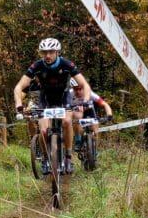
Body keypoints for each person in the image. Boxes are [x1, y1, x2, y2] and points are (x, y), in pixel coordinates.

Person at [13, 38, 91, 175]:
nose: (47, 55)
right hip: (46, 99)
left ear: (57, 52)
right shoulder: (36, 66)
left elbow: (84, 84)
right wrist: (18, 103)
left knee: (67, 122)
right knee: (43, 131)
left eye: (51, 52)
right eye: (44, 52)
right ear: (41, 53)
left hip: (63, 97)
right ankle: (45, 158)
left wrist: (85, 100)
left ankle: (68, 157)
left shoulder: (67, 64)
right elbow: (19, 87)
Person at [71, 82, 113, 150]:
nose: (78, 91)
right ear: (73, 89)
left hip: (90, 111)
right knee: (76, 119)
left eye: (80, 89)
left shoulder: (90, 93)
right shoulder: (70, 94)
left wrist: (109, 115)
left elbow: (105, 104)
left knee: (95, 132)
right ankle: (78, 140)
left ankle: (94, 152)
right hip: (77, 112)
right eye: (76, 89)